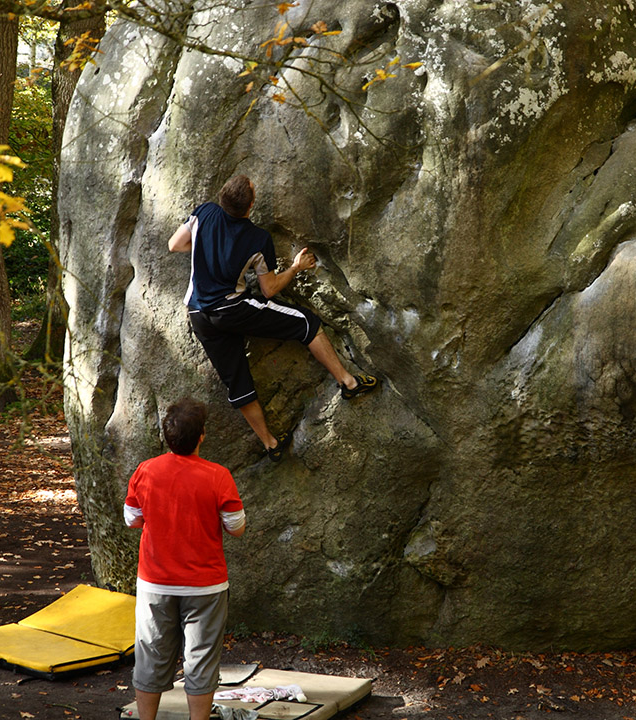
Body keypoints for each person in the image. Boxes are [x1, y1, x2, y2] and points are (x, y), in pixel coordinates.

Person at [169, 174, 378, 461]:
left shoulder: (204, 212)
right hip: (232, 309)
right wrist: (295, 267)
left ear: (222, 198)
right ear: (251, 205)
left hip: (198, 314)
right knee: (306, 323)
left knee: (238, 382)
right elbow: (269, 290)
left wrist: (207, 248)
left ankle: (271, 444)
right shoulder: (257, 239)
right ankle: (348, 383)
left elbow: (175, 245)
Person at [123, 398, 246, 720]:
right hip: (205, 586)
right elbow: (237, 527)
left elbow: (132, 518)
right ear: (202, 436)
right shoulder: (218, 475)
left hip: (155, 582)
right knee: (201, 658)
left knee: (150, 655)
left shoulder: (145, 470)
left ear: (166, 435)